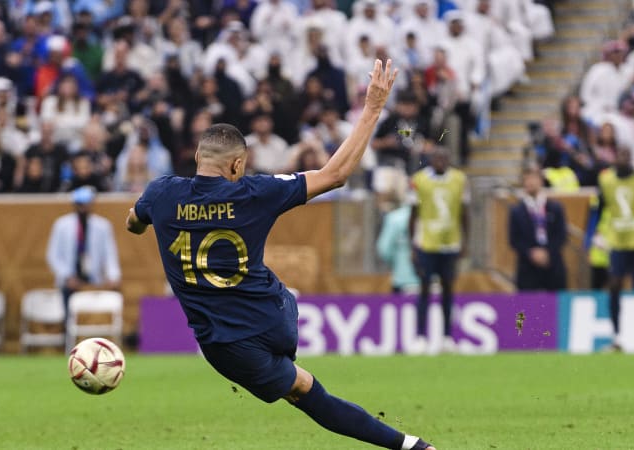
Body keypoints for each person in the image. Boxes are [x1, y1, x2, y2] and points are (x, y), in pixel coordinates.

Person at [126, 60, 435, 450]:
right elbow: (335, 174)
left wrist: (142, 222)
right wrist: (372, 108)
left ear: (199, 157)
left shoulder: (161, 193)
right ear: (237, 164)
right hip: (276, 318)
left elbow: (133, 221)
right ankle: (412, 445)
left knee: (308, 394)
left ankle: (411, 446)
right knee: (300, 369)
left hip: (226, 349)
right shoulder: (254, 192)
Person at [408, 147, 469, 355]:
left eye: (444, 158)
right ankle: (421, 337)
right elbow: (413, 214)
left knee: (448, 290)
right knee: (424, 289)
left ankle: (447, 338)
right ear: (431, 160)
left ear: (449, 160)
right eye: (437, 158)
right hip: (426, 242)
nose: (440, 161)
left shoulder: (459, 179)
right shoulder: (419, 180)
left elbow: (464, 212)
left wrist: (465, 241)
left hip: (450, 243)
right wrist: (412, 245)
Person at [46, 186, 122, 319]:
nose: (83, 207)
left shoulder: (102, 226)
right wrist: (67, 276)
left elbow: (110, 255)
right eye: (80, 204)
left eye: (86, 204)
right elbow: (53, 256)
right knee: (69, 319)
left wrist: (113, 276)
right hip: (69, 283)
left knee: (94, 319)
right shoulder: (62, 225)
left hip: (94, 281)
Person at [588, 147, 634, 352]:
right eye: (620, 155)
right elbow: (599, 208)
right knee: (614, 286)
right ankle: (616, 335)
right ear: (615, 158)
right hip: (617, 241)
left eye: (626, 155)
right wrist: (595, 233)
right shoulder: (606, 181)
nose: (623, 159)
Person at [507, 162, 567, 291]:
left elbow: (561, 235)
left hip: (552, 265)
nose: (529, 182)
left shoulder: (555, 208)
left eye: (533, 178)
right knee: (526, 303)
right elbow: (514, 240)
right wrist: (531, 253)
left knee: (554, 300)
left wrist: (547, 252)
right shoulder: (516, 211)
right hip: (527, 268)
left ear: (541, 180)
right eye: (526, 179)